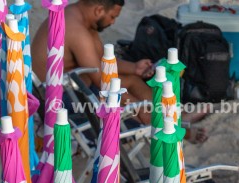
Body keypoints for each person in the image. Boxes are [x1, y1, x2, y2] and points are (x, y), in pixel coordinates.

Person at [32, 0, 208, 140]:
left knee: (132, 80)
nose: (113, 22)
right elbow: (105, 84)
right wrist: (136, 106)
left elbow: (100, 60)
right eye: (112, 17)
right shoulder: (78, 32)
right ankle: (162, 124)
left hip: (71, 86)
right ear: (99, 10)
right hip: (59, 102)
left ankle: (174, 115)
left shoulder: (77, 16)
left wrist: (134, 67)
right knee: (124, 95)